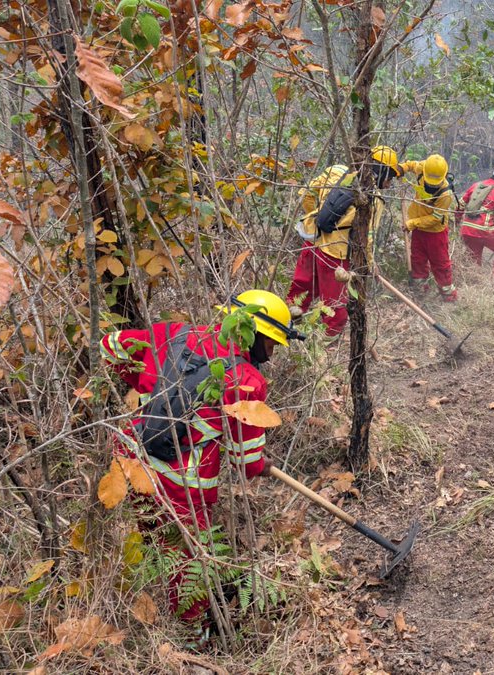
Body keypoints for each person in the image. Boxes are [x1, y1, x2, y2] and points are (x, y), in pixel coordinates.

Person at [100, 289, 301, 630]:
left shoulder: (175, 334)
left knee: (156, 538)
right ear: (253, 336)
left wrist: (144, 384)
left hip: (131, 461)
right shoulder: (248, 381)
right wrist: (261, 465)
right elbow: (245, 460)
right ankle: (193, 633)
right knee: (189, 561)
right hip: (180, 484)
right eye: (272, 343)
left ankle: (159, 603)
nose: (273, 351)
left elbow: (110, 346)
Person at [286, 145, 402, 336]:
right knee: (335, 309)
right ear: (381, 173)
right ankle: (327, 350)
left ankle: (285, 329)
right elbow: (368, 238)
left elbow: (306, 195)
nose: (389, 184)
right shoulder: (373, 199)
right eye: (389, 177)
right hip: (335, 256)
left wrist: (320, 218)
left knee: (299, 293)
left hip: (312, 242)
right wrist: (370, 263)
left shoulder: (336, 171)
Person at [399, 154, 457, 302]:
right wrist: (402, 168)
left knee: (440, 264)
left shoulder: (446, 194)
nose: (431, 185)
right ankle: (420, 293)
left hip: (435, 233)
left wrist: (412, 223)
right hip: (419, 230)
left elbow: (435, 218)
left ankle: (449, 296)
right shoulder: (422, 168)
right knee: (417, 260)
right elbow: (411, 164)